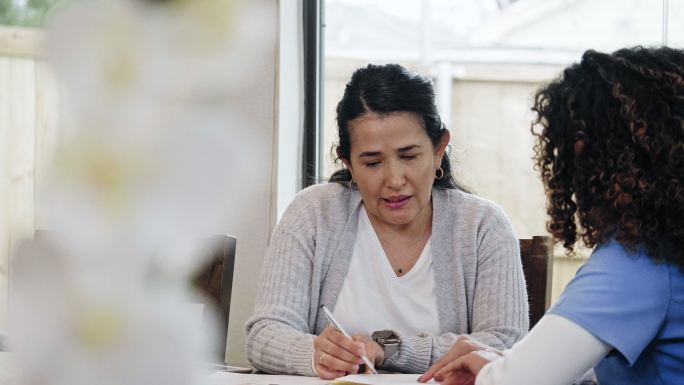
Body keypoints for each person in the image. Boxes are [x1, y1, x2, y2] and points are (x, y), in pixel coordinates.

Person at [419, 46, 684, 385]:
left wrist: (500, 372)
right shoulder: (669, 250)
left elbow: (516, 384)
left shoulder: (638, 261)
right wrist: (504, 363)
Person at [244, 63, 528, 379]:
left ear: (438, 150)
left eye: (409, 156)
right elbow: (265, 333)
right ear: (348, 162)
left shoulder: (482, 227)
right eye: (373, 162)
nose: (394, 179)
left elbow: (504, 344)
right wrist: (315, 355)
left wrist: (388, 347)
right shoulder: (314, 213)